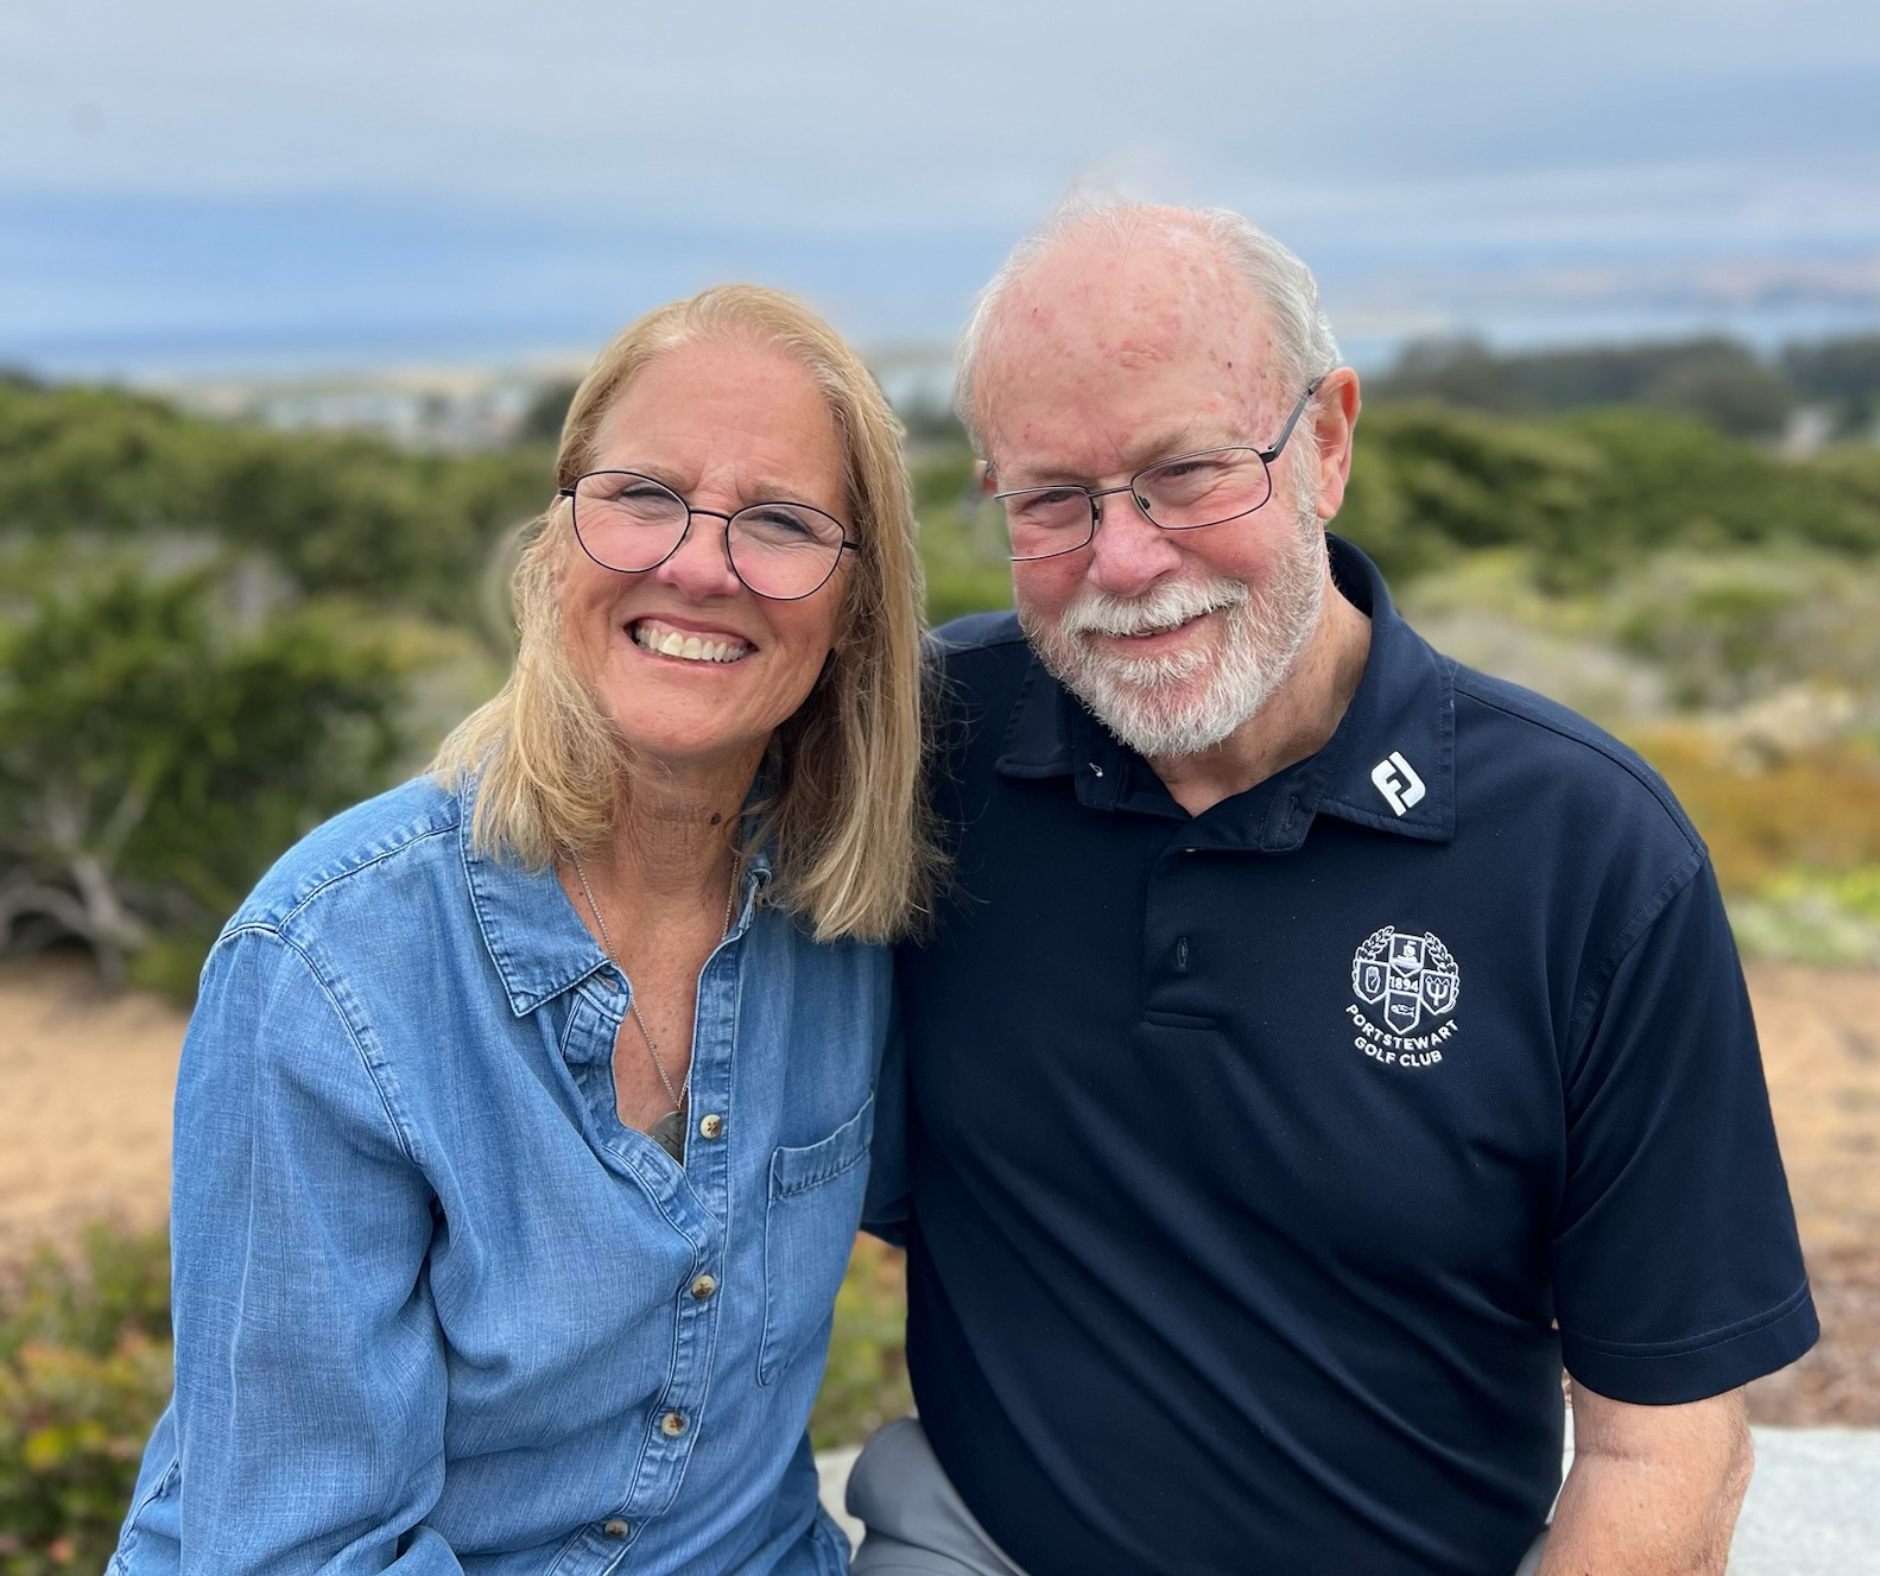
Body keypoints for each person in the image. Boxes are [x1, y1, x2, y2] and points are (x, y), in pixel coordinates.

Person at [851, 205, 1818, 1576]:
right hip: (980, 1546)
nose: (1125, 562)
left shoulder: (1589, 853)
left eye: (1188, 473)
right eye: (1053, 499)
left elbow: (1663, 1445)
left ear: (1327, 442)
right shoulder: (921, 752)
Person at [109, 284, 937, 1576]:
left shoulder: (845, 920)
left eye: (779, 522)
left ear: (853, 611)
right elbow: (300, 1549)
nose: (698, 563)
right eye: (643, 497)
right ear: (558, 544)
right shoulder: (332, 973)